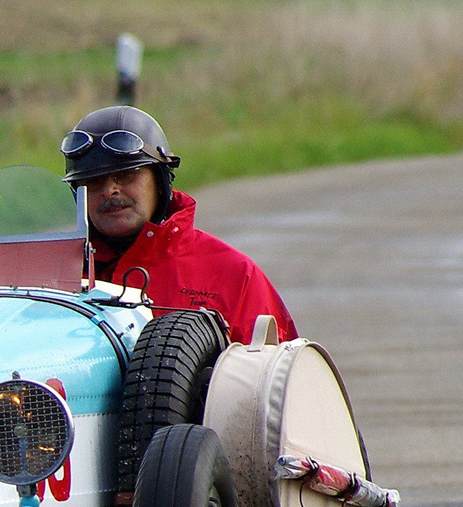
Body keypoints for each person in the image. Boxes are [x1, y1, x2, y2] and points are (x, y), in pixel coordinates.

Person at [62, 106, 296, 346]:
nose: (109, 190)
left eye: (126, 175)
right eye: (92, 181)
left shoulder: (235, 275)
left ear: (161, 181)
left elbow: (277, 377)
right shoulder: (54, 278)